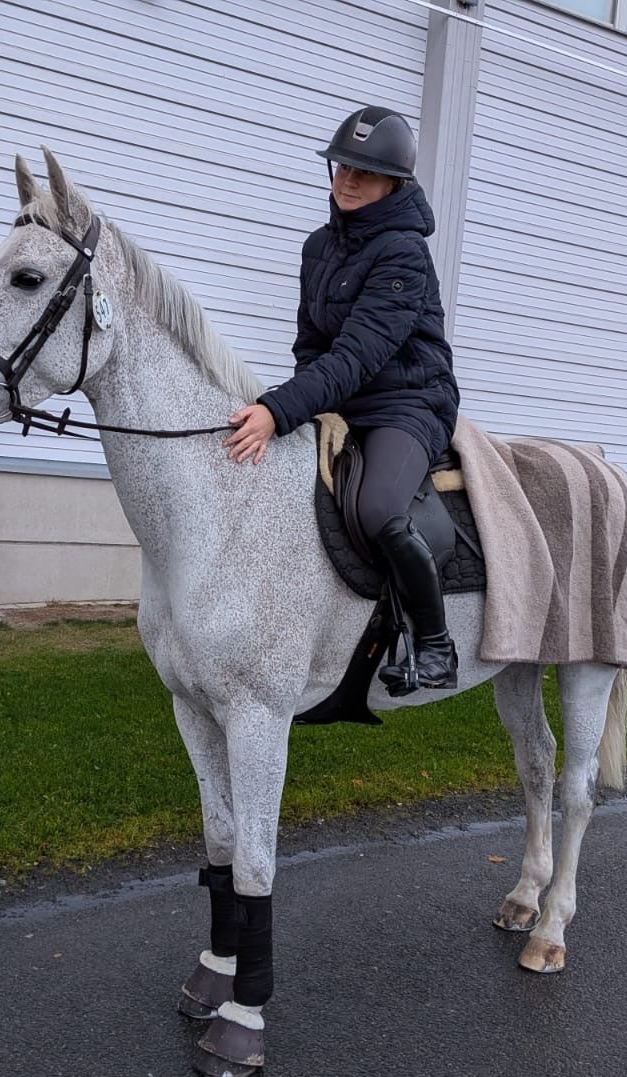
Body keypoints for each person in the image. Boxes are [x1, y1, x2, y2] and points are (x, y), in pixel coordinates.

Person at [224, 105, 462, 694]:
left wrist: (279, 410)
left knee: (380, 507)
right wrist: (302, 402)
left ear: (394, 184)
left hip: (408, 403)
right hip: (345, 401)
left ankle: (436, 646)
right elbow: (313, 347)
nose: (347, 181)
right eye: (341, 168)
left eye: (364, 173)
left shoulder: (404, 254)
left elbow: (357, 356)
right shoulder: (318, 248)